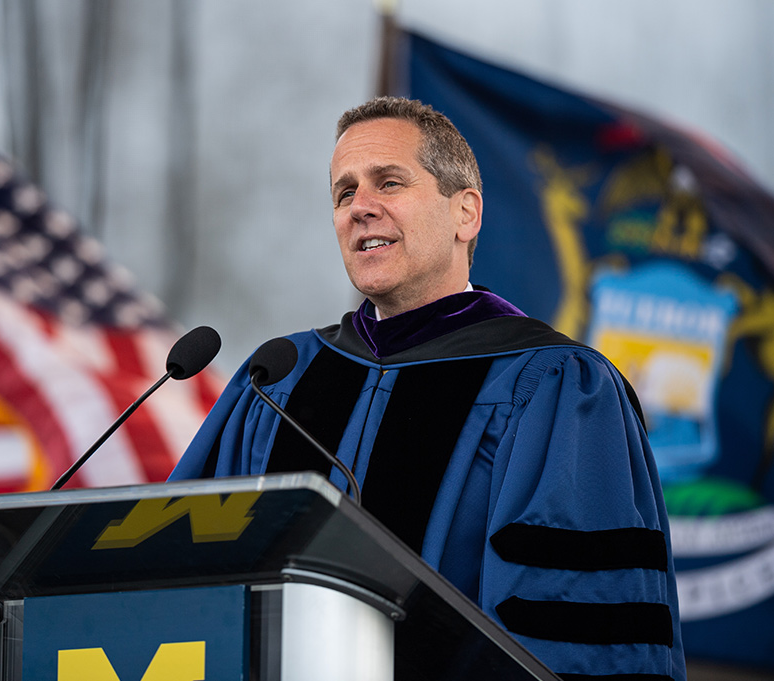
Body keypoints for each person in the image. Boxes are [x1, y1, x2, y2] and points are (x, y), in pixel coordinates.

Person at [169, 96, 685, 680]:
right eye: (344, 193)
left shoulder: (553, 386)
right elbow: (180, 576)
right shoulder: (281, 378)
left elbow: (576, 631)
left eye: (389, 183)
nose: (359, 208)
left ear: (466, 213)